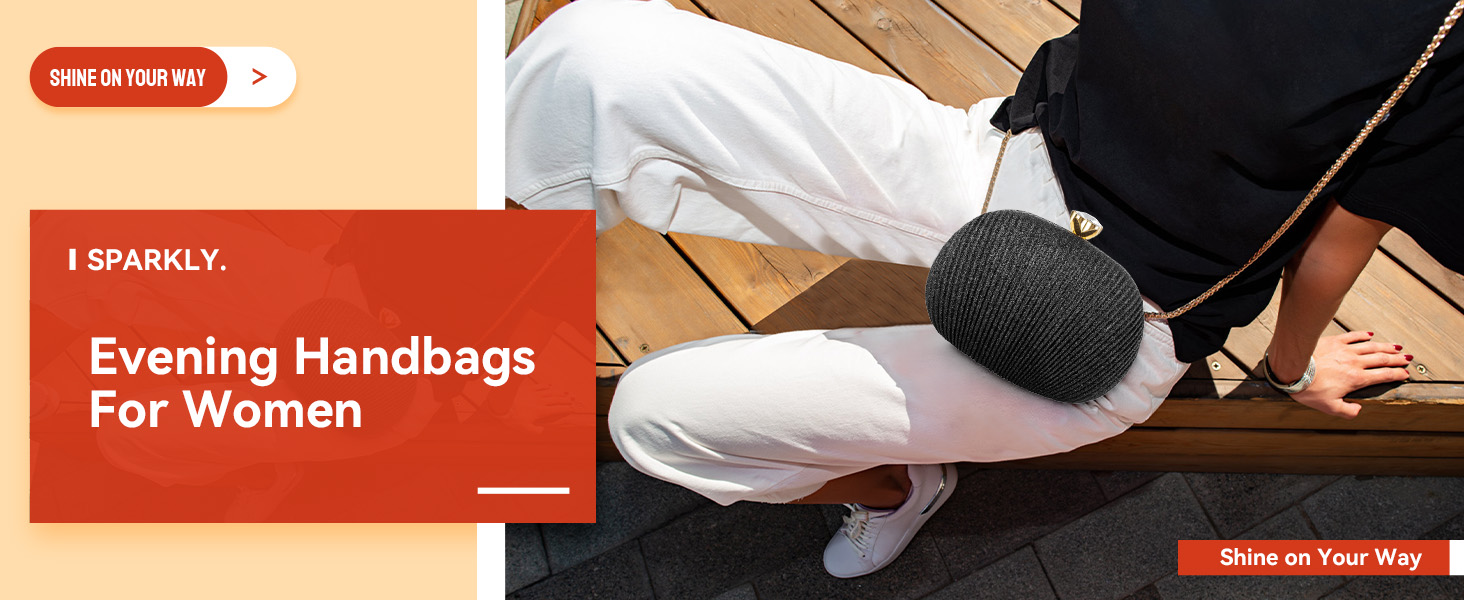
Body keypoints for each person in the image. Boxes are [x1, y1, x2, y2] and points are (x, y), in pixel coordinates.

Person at [507, 0, 1462, 578]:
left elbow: (1337, 240)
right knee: (589, 54)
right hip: (1010, 147)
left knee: (653, 418)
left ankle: (898, 488)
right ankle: (467, 408)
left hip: (1113, 317)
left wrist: (1290, 371)